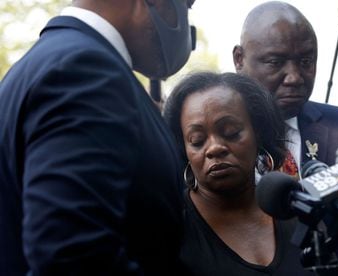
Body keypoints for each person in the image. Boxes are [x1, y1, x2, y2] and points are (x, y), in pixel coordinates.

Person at [0, 0, 196, 275]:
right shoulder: (86, 69)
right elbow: (71, 254)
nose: (185, 20)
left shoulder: (41, 63)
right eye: (185, 5)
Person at [163, 71, 314, 275]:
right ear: (183, 149)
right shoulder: (168, 226)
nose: (214, 148)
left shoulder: (298, 211)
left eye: (231, 132)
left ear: (257, 133)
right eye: (197, 140)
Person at [233, 1, 338, 172]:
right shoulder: (208, 136)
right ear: (239, 60)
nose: (294, 77)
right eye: (275, 62)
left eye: (306, 62)